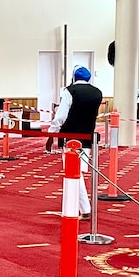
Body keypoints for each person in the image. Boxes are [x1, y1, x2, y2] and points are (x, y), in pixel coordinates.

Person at [47, 65, 103, 219]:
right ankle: (76, 208)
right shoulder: (97, 93)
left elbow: (61, 116)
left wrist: (51, 134)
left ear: (74, 77)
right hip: (87, 138)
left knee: (73, 174)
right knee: (78, 173)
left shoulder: (70, 91)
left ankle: (84, 209)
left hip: (70, 138)